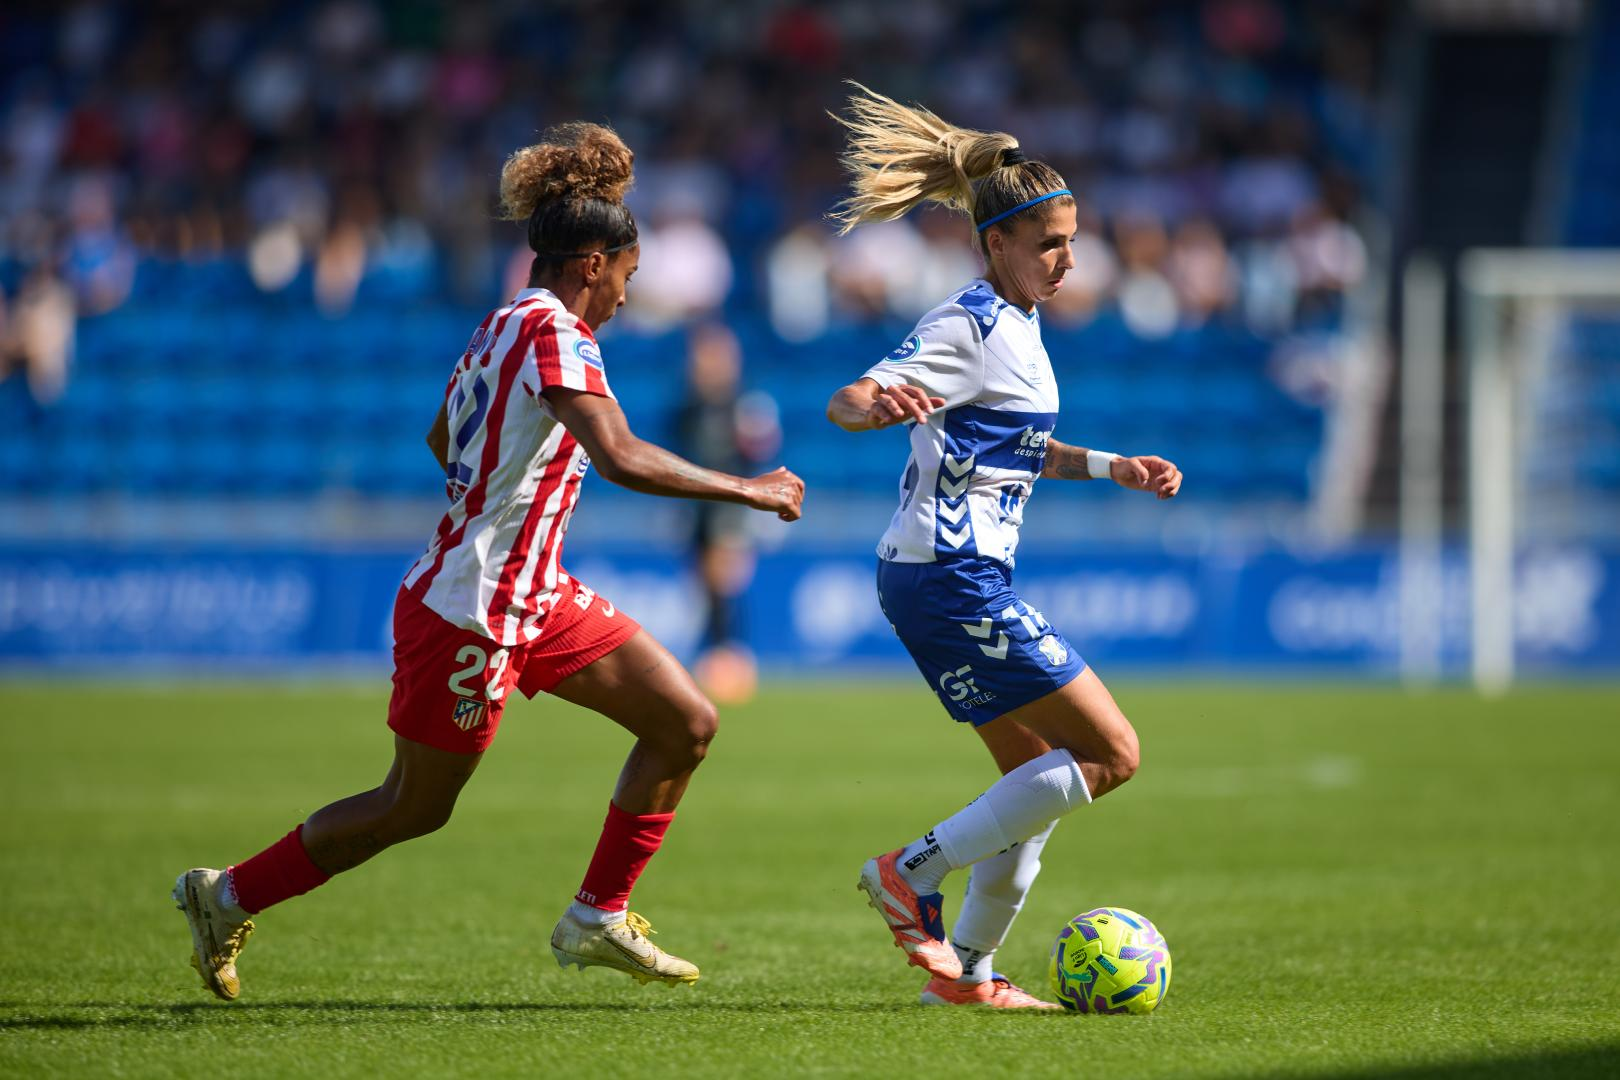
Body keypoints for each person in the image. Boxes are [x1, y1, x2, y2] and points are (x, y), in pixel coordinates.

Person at [173, 123, 804, 1000]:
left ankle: (597, 915)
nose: (628, 292)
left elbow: (442, 436)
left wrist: (500, 503)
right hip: (471, 606)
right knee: (414, 805)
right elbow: (619, 455)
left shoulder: (501, 323)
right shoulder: (558, 337)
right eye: (626, 272)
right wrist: (750, 489)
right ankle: (227, 893)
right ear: (592, 262)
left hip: (531, 591)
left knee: (685, 721)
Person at [825, 86, 1182, 1010]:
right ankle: (910, 873)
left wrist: (1113, 468)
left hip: (942, 580)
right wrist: (877, 405)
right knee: (1111, 755)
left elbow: (1017, 448)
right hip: (952, 582)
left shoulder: (1020, 327)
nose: (1066, 259)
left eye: (1072, 240)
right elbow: (851, 399)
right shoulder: (968, 324)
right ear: (996, 244)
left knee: (1037, 783)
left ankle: (970, 977)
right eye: (1048, 243)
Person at [674, 322, 782, 703]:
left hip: (731, 507)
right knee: (704, 585)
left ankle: (731, 657)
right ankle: (717, 655)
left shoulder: (745, 405)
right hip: (697, 508)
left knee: (724, 582)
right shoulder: (689, 407)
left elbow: (760, 451)